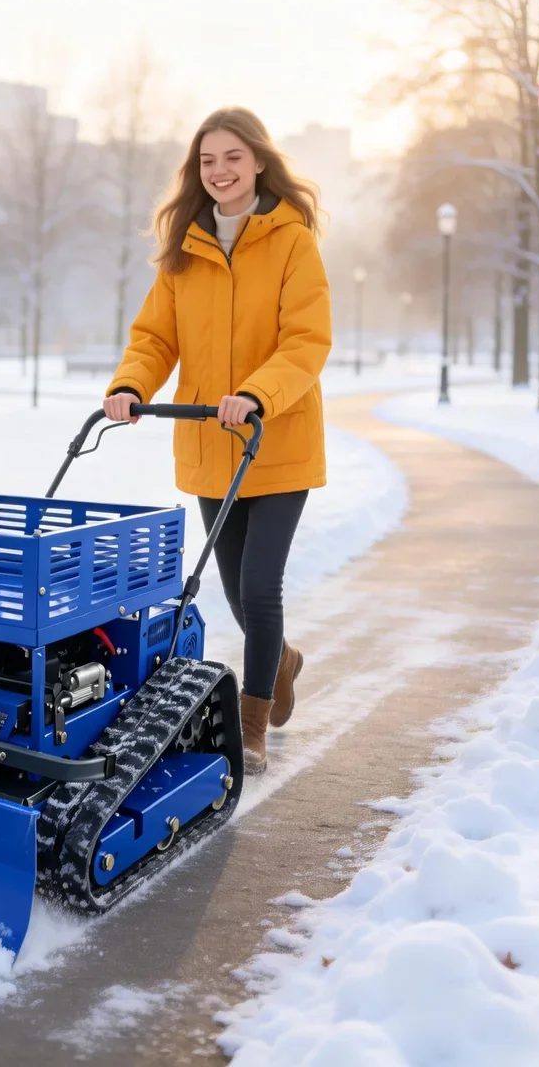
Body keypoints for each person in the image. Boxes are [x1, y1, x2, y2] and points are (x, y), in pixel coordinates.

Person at [103, 106, 332, 774]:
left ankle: (252, 725)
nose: (220, 170)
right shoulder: (187, 245)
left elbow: (306, 340)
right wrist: (130, 385)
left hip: (277, 439)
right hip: (210, 448)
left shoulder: (292, 240)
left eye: (233, 157)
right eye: (208, 160)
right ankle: (282, 657)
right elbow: (155, 337)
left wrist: (258, 393)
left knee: (260, 590)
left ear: (259, 161)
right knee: (233, 591)